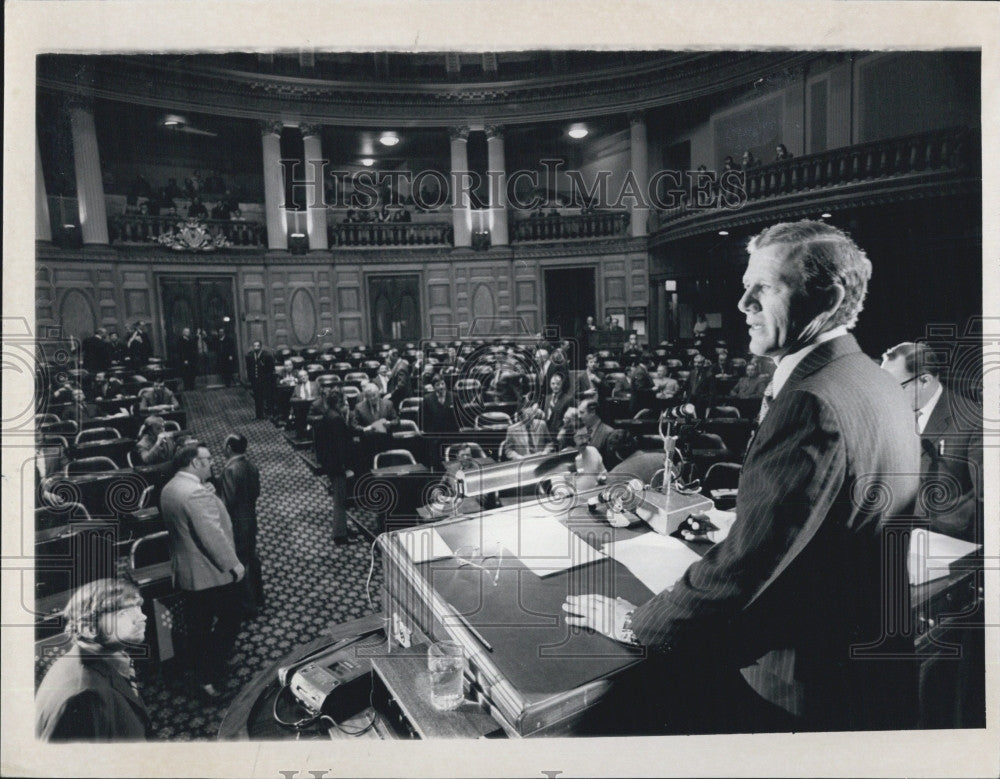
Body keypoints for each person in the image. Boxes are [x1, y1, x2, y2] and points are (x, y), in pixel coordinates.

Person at [564, 220, 921, 734]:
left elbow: (745, 570)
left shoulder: (810, 401)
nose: (743, 304)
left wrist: (635, 622)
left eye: (766, 287)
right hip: (870, 665)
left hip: (803, 686)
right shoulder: (873, 378)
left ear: (829, 297)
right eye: (745, 285)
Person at [160, 442, 245, 699]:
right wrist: (234, 565)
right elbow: (212, 535)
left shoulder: (171, 487)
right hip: (210, 573)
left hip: (187, 571)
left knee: (198, 626)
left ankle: (202, 670)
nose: (212, 464)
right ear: (195, 463)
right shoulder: (195, 494)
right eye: (207, 460)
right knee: (230, 620)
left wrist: (209, 493)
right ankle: (209, 676)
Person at [881, 341, 983, 543]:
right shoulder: (888, 414)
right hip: (890, 533)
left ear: (925, 381)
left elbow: (986, 500)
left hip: (947, 541)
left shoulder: (973, 421)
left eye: (893, 387)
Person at [35, 578, 150, 741]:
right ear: (89, 629)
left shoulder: (105, 658)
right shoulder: (85, 697)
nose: (142, 617)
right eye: (123, 613)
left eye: (138, 606)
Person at [220, 434, 264, 615]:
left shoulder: (230, 470)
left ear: (229, 448)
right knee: (251, 558)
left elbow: (227, 500)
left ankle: (249, 606)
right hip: (250, 517)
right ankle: (259, 597)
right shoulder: (251, 465)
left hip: (236, 521)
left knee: (240, 562)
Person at [313, 391, 351, 545]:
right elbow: (339, 446)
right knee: (339, 500)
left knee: (339, 497)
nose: (347, 404)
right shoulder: (336, 419)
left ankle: (342, 529)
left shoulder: (329, 415)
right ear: (339, 402)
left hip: (330, 463)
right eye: (346, 401)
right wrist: (344, 467)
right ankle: (340, 535)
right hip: (336, 465)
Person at [351, 382, 398, 471]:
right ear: (365, 396)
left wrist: (390, 423)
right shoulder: (359, 407)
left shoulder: (388, 404)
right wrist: (364, 429)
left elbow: (396, 420)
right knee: (370, 471)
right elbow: (354, 426)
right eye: (369, 396)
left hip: (386, 443)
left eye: (374, 395)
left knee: (387, 470)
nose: (372, 398)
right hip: (368, 446)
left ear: (378, 393)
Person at [421, 375, 458, 467]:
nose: (441, 386)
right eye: (438, 385)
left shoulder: (454, 397)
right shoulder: (427, 399)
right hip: (434, 437)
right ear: (433, 387)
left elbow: (459, 417)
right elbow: (422, 418)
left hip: (451, 435)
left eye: (442, 383)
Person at [245, 340, 275, 420]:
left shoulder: (267, 355)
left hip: (265, 381)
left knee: (267, 397)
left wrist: (268, 379)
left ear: (260, 346)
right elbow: (249, 368)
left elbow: (271, 369)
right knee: (257, 398)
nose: (256, 348)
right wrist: (250, 379)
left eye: (257, 346)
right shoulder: (250, 355)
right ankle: (259, 415)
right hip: (255, 381)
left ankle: (269, 414)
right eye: (254, 346)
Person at [542, 372, 574, 438]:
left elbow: (570, 420)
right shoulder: (547, 398)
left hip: (560, 434)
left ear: (562, 384)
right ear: (550, 385)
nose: (555, 386)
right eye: (553, 384)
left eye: (558, 384)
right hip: (547, 433)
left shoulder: (568, 399)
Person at [176, 327, 199, 392]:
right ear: (183, 333)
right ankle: (187, 386)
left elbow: (193, 344)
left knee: (192, 372)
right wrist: (184, 359)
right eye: (186, 332)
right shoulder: (180, 340)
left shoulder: (190, 339)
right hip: (185, 360)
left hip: (191, 359)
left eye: (188, 332)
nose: (187, 333)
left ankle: (192, 386)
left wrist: (197, 336)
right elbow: (181, 351)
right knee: (186, 373)